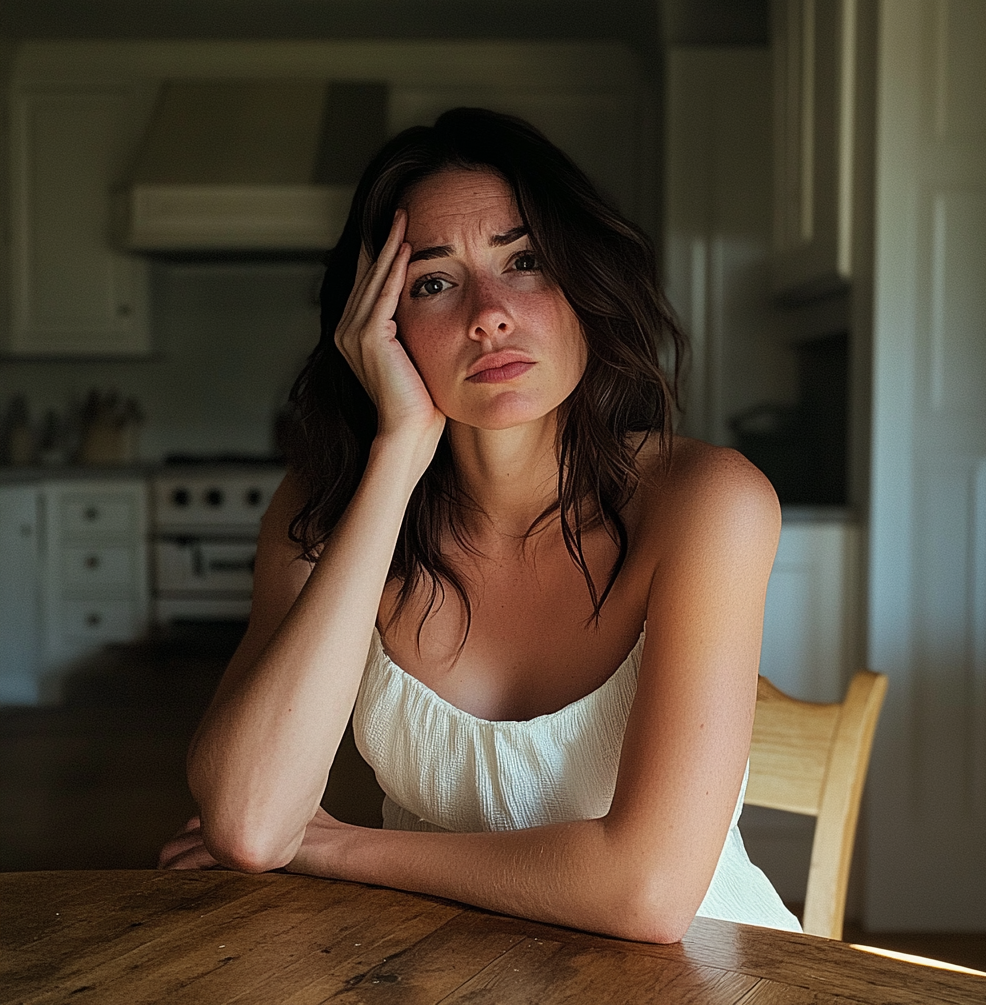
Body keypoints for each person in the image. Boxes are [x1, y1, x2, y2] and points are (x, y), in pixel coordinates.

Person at [159, 108, 801, 942]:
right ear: (373, 325)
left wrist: (337, 848)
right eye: (432, 282)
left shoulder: (708, 502)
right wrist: (396, 455)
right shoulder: (325, 510)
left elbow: (645, 891)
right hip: (436, 971)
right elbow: (249, 821)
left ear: (584, 283)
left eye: (524, 261)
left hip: (697, 981)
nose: (490, 313)